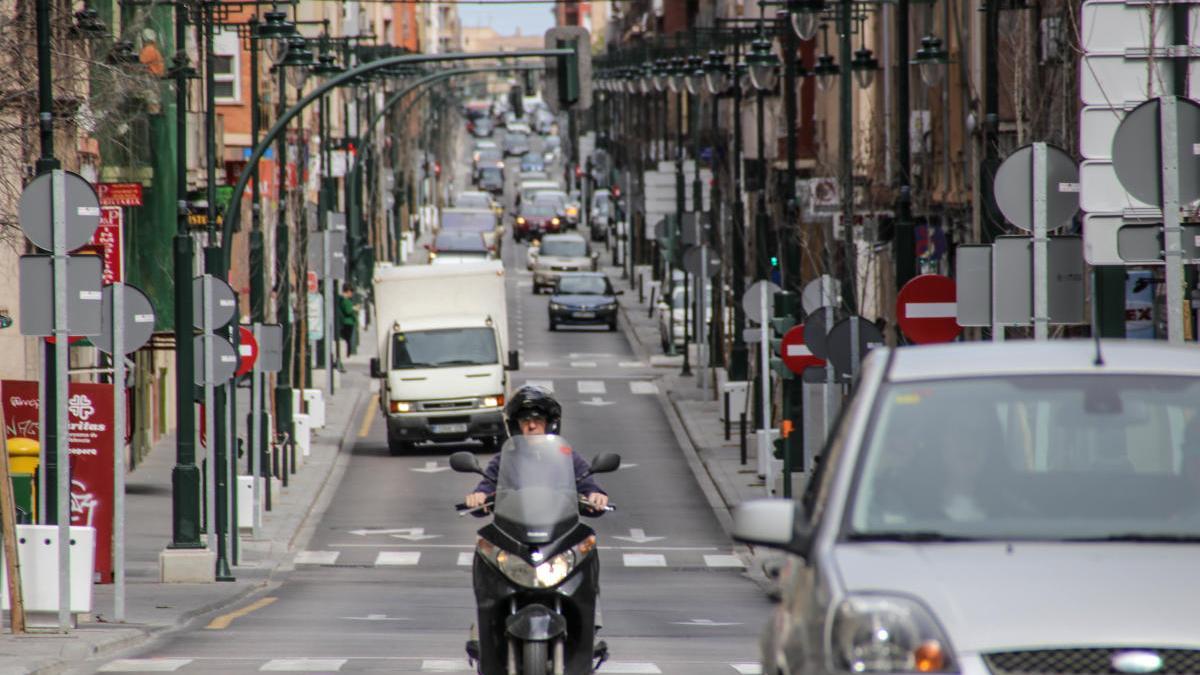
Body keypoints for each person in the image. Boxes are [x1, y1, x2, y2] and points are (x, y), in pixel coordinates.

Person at [464, 385, 609, 512]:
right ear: (516, 426)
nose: (532, 426)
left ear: (550, 424)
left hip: (560, 528)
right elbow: (488, 485)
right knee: (485, 541)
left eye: (538, 420)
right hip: (513, 529)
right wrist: (480, 496)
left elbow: (587, 484)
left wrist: (595, 495)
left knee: (587, 540)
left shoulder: (567, 456)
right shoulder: (505, 459)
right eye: (525, 420)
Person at [335, 285, 357, 372]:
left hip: (347, 322)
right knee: (347, 340)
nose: (351, 294)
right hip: (347, 322)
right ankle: (346, 356)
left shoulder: (344, 300)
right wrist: (354, 309)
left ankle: (346, 355)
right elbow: (348, 311)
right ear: (347, 291)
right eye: (351, 292)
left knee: (347, 340)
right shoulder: (345, 300)